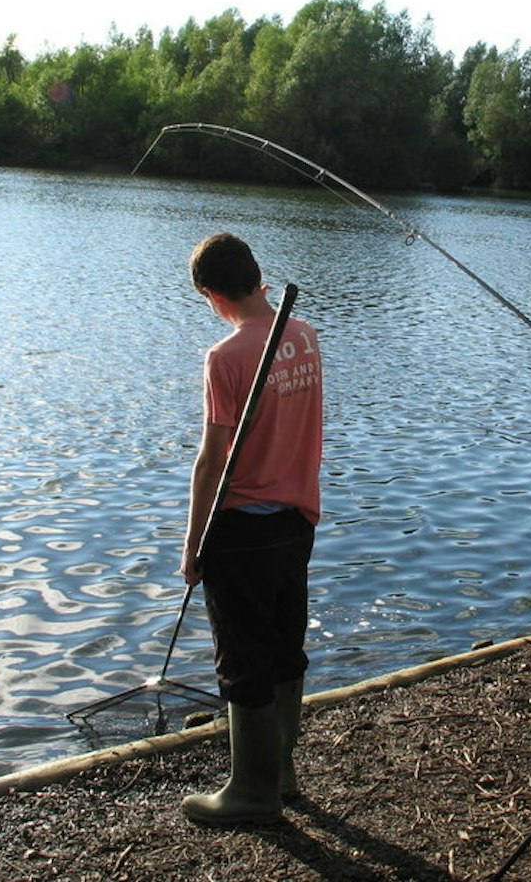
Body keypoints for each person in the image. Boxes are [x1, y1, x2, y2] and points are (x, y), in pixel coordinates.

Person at [179, 233, 324, 825]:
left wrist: (192, 546)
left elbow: (211, 461)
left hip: (242, 529)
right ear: (258, 276)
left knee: (242, 660)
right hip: (297, 520)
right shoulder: (304, 334)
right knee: (285, 649)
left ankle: (251, 792)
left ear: (212, 295)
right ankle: (282, 774)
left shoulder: (227, 356)